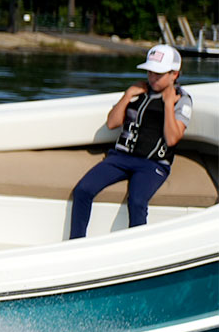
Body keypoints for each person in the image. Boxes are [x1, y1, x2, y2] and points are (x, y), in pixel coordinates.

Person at [69, 44, 192, 239]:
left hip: (152, 164)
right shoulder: (138, 91)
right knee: (83, 190)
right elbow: (112, 123)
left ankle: (137, 252)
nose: (152, 78)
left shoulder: (182, 100)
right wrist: (127, 96)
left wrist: (168, 104)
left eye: (158, 74)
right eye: (150, 72)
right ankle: (75, 243)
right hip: (120, 157)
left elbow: (172, 138)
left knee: (137, 201)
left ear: (174, 74)